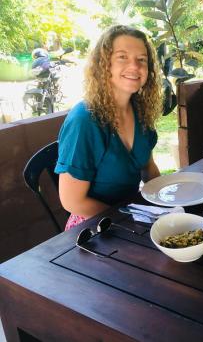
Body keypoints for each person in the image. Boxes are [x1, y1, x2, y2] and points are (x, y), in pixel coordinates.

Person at [55, 25, 163, 230]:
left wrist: (167, 203)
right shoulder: (84, 120)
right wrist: (126, 221)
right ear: (104, 65)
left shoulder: (140, 111)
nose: (135, 66)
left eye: (142, 60)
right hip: (94, 228)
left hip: (133, 215)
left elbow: (148, 169)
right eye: (122, 57)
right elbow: (72, 201)